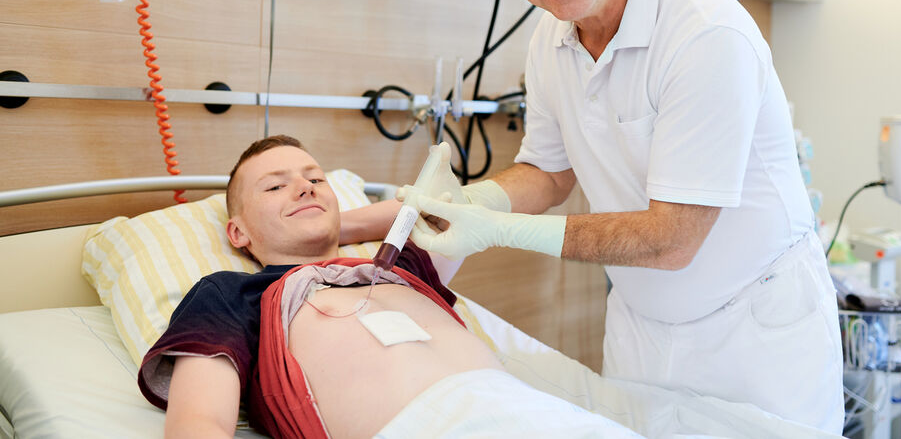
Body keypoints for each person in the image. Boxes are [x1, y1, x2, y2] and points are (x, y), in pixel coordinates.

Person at [405, 0, 844, 433]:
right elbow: (549, 171)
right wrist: (475, 200)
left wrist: (503, 231)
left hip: (753, 334)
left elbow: (672, 238)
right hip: (642, 325)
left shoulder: (704, 35)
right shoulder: (550, 39)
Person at [137, 134, 643, 438]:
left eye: (315, 178)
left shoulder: (402, 266)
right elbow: (199, 424)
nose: (304, 186)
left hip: (540, 414)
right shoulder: (232, 293)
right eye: (275, 186)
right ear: (237, 232)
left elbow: (448, 213)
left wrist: (342, 226)